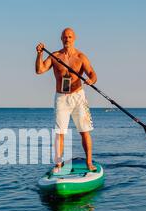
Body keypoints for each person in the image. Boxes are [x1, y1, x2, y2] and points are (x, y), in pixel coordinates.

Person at [35, 28, 97, 173]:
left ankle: (89, 163)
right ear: (61, 39)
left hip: (78, 97)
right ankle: (58, 164)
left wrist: (91, 80)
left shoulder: (81, 57)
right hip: (61, 98)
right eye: (64, 37)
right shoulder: (55, 56)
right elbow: (40, 70)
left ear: (74, 38)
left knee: (84, 131)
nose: (67, 39)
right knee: (60, 132)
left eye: (69, 37)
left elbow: (92, 74)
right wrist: (39, 54)